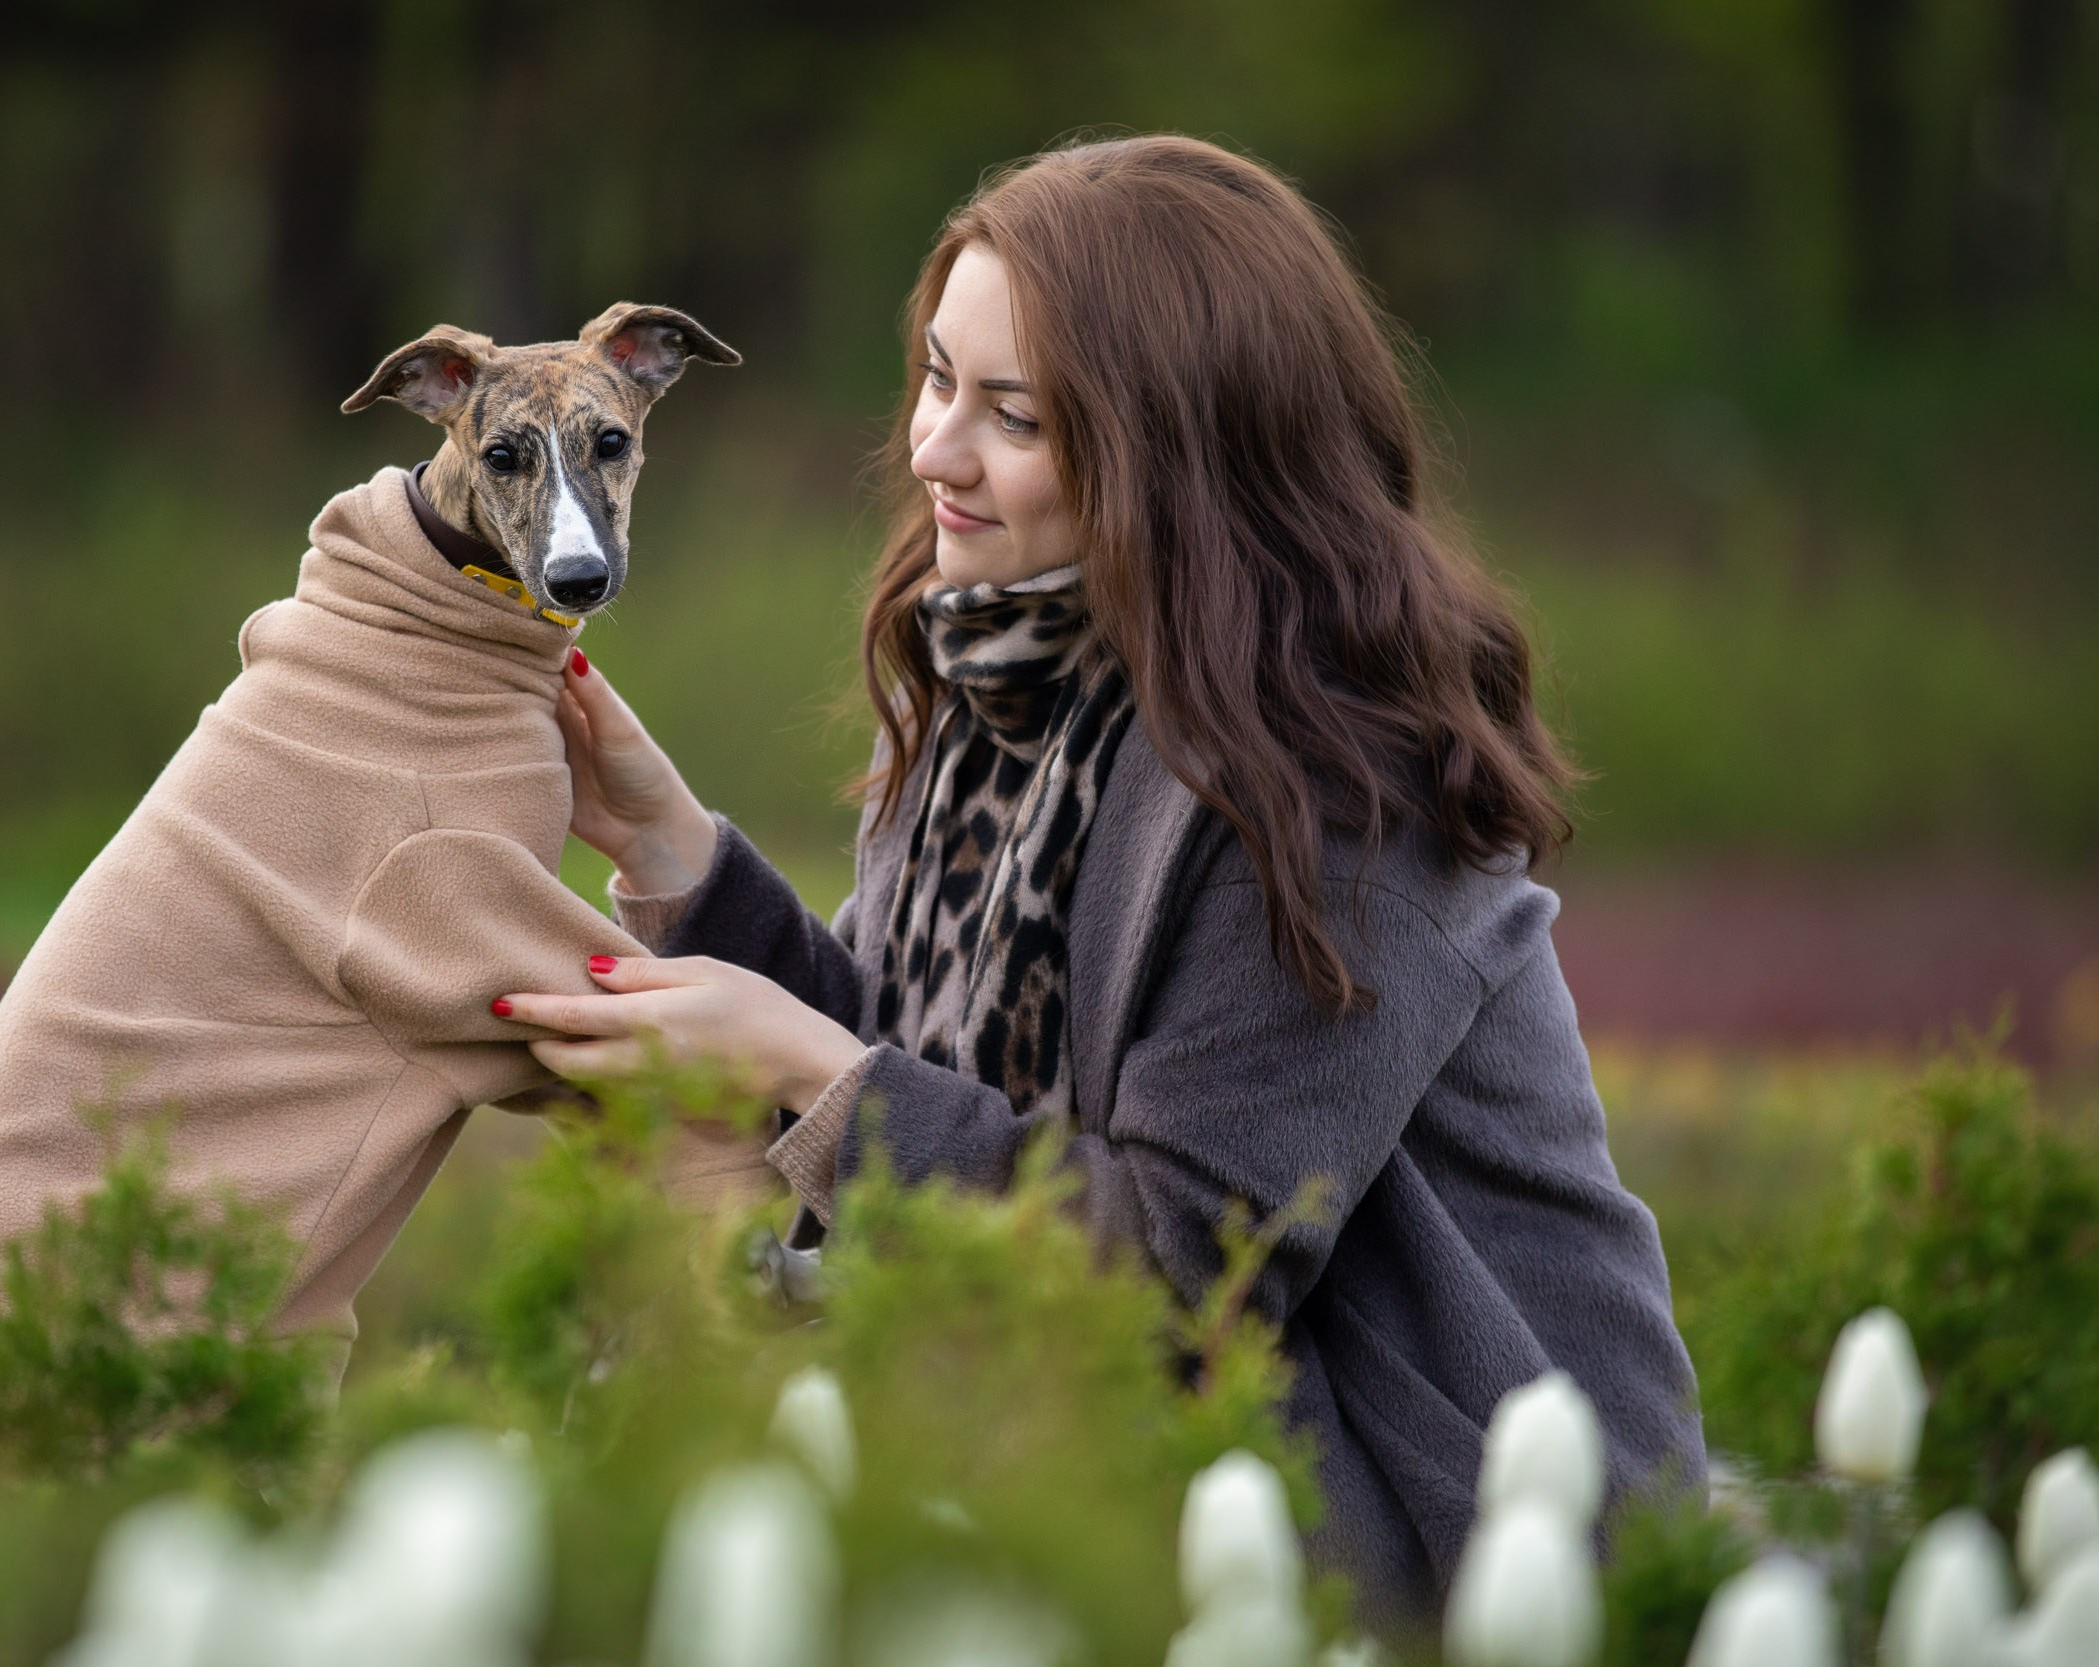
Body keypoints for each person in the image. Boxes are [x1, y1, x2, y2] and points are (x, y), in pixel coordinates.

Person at [487, 133, 1704, 1628]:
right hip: (1166, 1463)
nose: (935, 449)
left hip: (1422, 1531)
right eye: (937, 377)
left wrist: (801, 1065)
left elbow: (1175, 1267)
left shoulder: (1335, 778)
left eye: (1015, 416)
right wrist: (679, 856)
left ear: (1182, 461)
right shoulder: (1016, 680)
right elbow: (921, 1065)